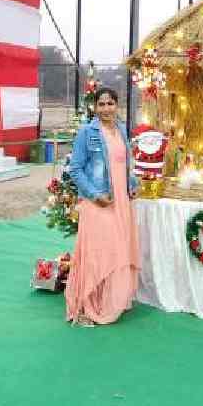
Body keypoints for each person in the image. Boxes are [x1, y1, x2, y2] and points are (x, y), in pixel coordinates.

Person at [66, 87, 140, 326]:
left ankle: (112, 300)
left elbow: (123, 164)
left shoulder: (120, 130)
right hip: (99, 203)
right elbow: (75, 169)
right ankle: (87, 307)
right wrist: (94, 194)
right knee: (98, 253)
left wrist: (131, 184)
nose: (106, 109)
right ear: (95, 107)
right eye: (101, 104)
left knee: (118, 249)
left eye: (110, 104)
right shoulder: (87, 133)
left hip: (120, 202)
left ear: (117, 106)